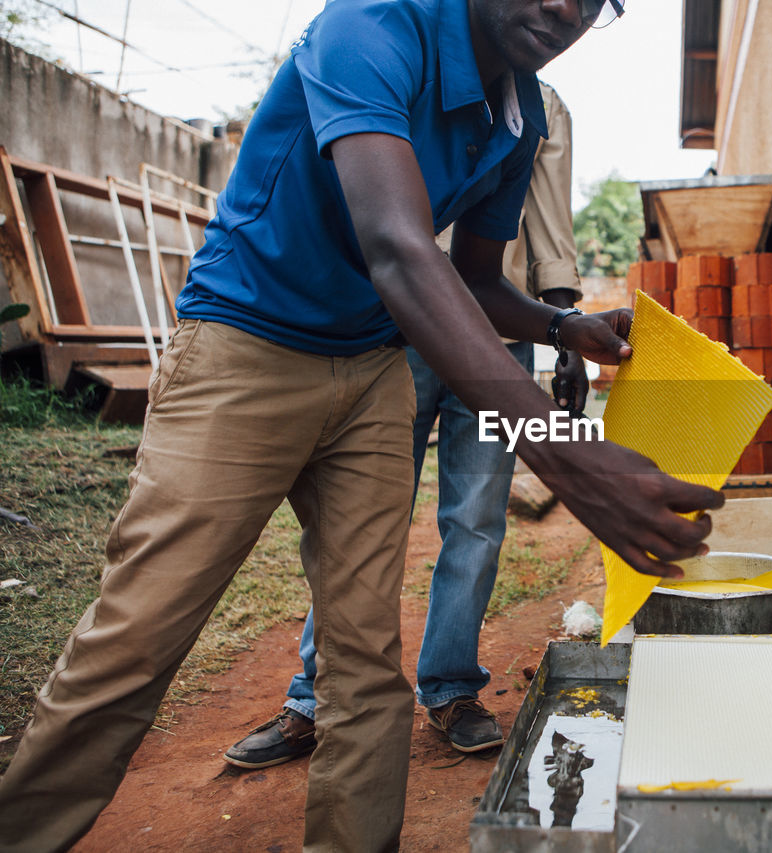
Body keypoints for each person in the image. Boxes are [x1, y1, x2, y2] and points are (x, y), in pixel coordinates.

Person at [0, 2, 723, 851]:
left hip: (375, 362)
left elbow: (475, 280)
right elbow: (397, 245)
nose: (565, 6)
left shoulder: (518, 111)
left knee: (364, 659)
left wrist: (562, 327)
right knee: (137, 635)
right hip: (246, 347)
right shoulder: (371, 30)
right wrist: (571, 456)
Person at [223, 80, 585, 766]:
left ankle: (451, 686)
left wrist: (565, 335)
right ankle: (316, 694)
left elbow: (549, 213)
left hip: (496, 337)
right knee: (360, 518)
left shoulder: (543, 103)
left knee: (477, 519)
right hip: (393, 325)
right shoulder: (404, 69)